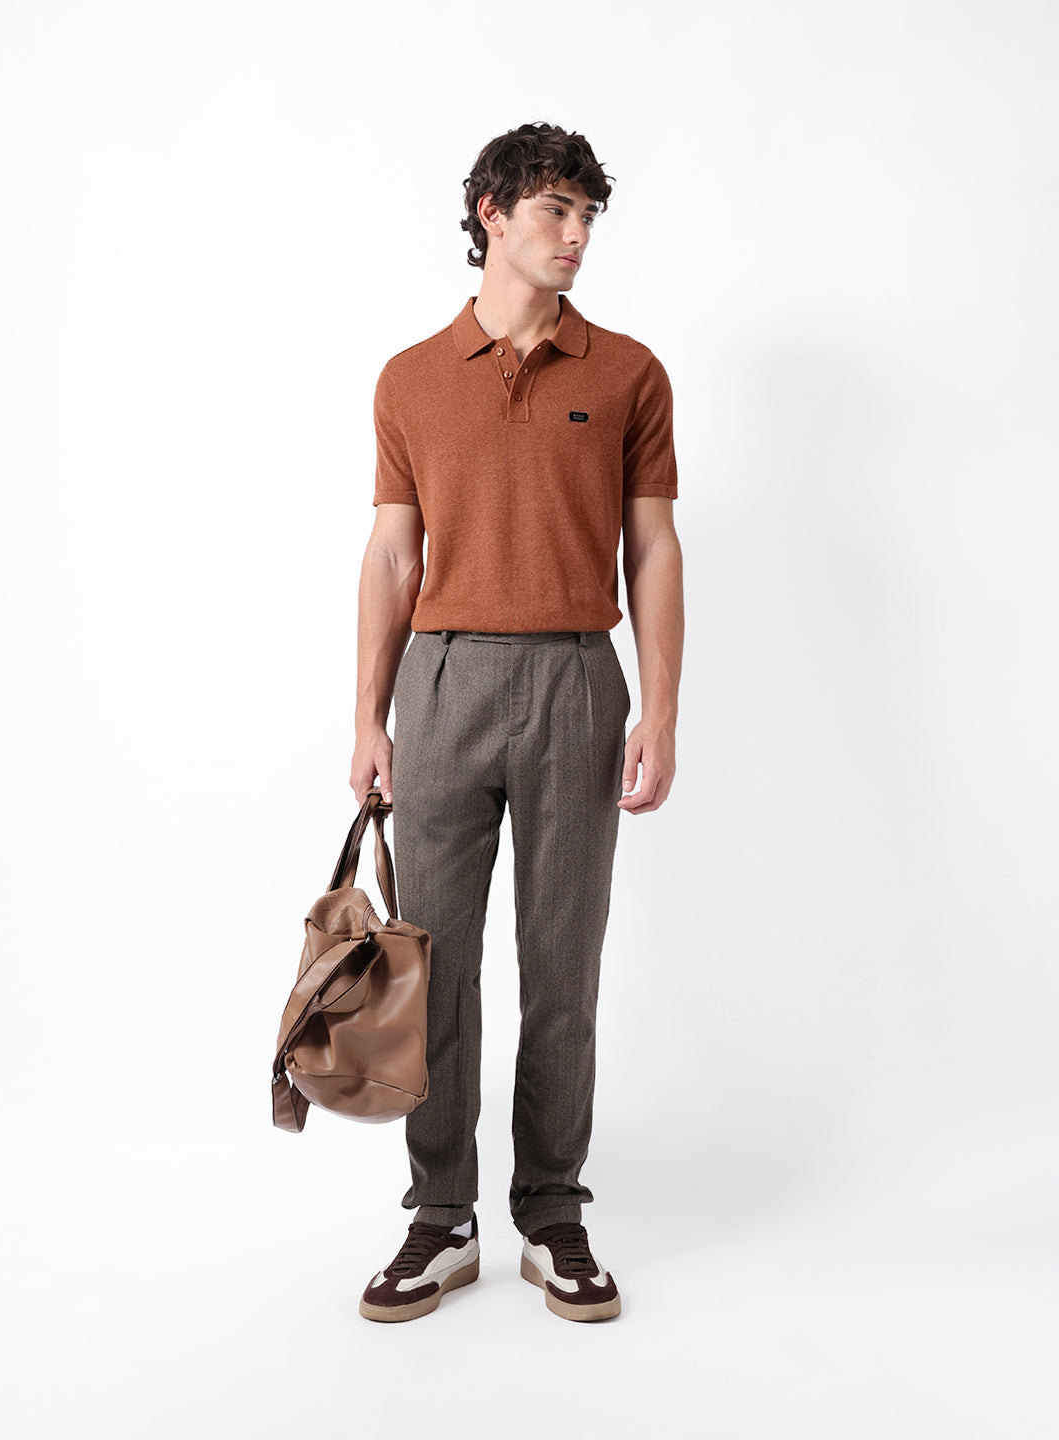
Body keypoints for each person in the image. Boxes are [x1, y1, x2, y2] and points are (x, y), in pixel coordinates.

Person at [349, 121, 684, 1323]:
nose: (577, 235)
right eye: (556, 210)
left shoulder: (628, 372)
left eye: (589, 215)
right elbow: (393, 557)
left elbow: (653, 549)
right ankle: (441, 1216)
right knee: (432, 964)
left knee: (563, 962)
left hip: (577, 681)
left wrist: (661, 707)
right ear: (491, 213)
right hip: (440, 684)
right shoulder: (409, 378)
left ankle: (551, 1209)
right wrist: (367, 716)